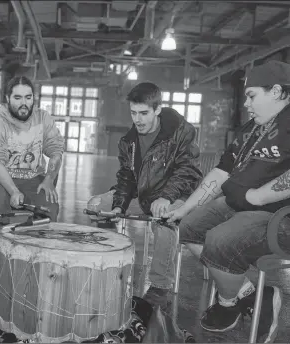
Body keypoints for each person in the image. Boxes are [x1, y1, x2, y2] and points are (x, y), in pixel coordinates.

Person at [164, 60, 290, 342]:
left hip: (278, 215)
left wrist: (258, 195)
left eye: (252, 95)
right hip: (238, 204)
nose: (246, 102)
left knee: (220, 241)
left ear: (277, 92)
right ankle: (249, 294)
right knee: (189, 227)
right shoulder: (251, 129)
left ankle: (227, 302)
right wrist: (185, 207)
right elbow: (222, 171)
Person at [87, 82, 202, 308]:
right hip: (143, 195)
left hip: (176, 196)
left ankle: (160, 286)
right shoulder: (128, 141)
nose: (137, 119)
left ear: (157, 109)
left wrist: (167, 196)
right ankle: (110, 265)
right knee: (97, 205)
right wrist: (119, 206)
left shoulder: (181, 131)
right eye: (133, 113)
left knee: (164, 218)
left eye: (144, 113)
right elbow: (127, 178)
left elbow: (187, 170)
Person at [0, 76, 64, 228]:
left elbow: (56, 151)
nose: (24, 103)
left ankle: (36, 246)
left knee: (49, 204)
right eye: (17, 98)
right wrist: (13, 191)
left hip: (32, 177)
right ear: (7, 98)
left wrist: (50, 178)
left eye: (28, 97)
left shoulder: (43, 118)